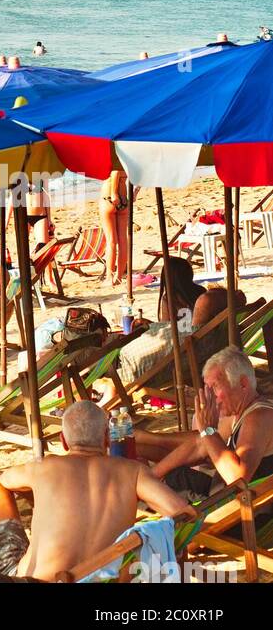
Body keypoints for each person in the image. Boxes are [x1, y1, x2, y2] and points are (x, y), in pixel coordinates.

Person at [0, 401, 195, 579]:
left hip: (34, 579)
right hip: (101, 577)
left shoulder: (44, 467)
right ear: (108, 438)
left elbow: (5, 480)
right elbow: (183, 513)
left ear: (63, 441)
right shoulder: (132, 472)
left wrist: (40, 494)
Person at [140, 347, 273, 506]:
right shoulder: (239, 414)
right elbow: (199, 444)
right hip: (222, 495)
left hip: (242, 513)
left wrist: (208, 431)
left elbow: (238, 479)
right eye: (207, 389)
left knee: (163, 490)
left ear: (243, 383)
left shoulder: (259, 417)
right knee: (172, 477)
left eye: (215, 387)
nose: (211, 397)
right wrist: (152, 473)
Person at [89, 260, 211, 410]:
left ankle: (101, 399)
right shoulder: (201, 292)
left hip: (175, 354)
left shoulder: (169, 299)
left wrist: (150, 326)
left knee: (118, 359)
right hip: (196, 348)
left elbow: (167, 328)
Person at [99, 169, 131, 285]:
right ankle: (118, 277)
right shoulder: (127, 158)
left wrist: (114, 193)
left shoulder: (113, 154)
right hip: (124, 198)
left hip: (109, 198)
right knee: (123, 240)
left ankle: (109, 278)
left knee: (111, 241)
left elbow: (115, 172)